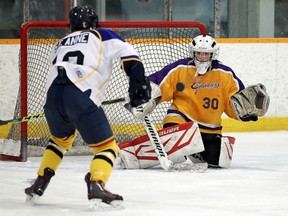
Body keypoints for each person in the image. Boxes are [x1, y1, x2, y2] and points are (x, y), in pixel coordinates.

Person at [24, 5, 151, 209]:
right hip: (80, 95)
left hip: (53, 99)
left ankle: (41, 181)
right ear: (95, 23)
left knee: (59, 140)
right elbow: (131, 60)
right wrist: (139, 87)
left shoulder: (59, 44)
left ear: (71, 26)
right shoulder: (103, 34)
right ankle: (96, 185)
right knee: (106, 147)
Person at [120, 34, 269, 169]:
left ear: (213, 55)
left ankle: (193, 150)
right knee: (177, 144)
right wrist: (142, 94)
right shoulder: (180, 68)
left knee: (218, 160)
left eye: (206, 54)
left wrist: (246, 111)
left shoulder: (226, 74)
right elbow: (159, 82)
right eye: (199, 53)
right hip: (181, 121)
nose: (202, 57)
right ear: (193, 53)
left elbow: (234, 106)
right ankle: (133, 152)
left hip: (210, 128)